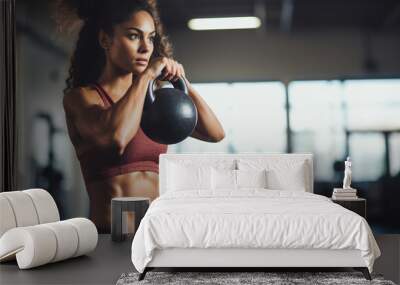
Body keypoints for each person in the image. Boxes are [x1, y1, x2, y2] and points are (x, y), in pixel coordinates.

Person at [56, 0, 225, 233]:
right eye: (134, 36)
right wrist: (147, 77)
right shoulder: (82, 99)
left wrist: (182, 81)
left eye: (151, 38)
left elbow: (215, 133)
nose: (146, 48)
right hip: (110, 236)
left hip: (157, 232)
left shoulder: (154, 100)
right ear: (106, 39)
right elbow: (116, 138)